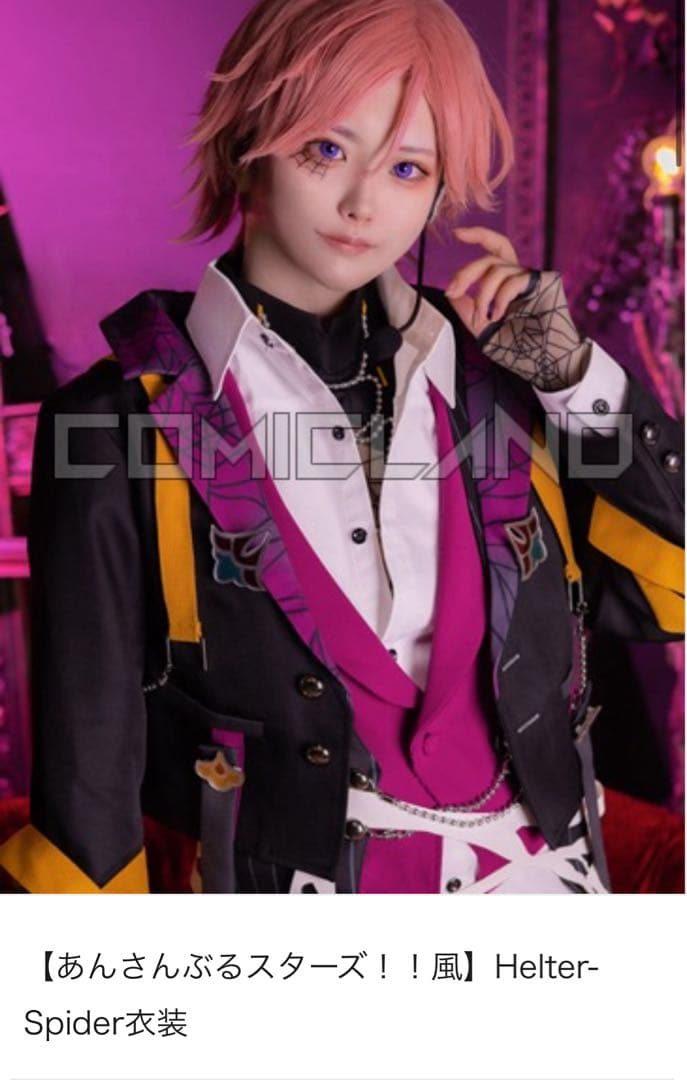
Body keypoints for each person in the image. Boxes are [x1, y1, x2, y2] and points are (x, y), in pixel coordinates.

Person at [0, 0, 682, 894]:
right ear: (247, 142)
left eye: (406, 168)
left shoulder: (502, 386)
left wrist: (573, 376)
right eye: (324, 149)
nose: (363, 203)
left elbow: (666, 594)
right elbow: (87, 791)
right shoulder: (112, 424)